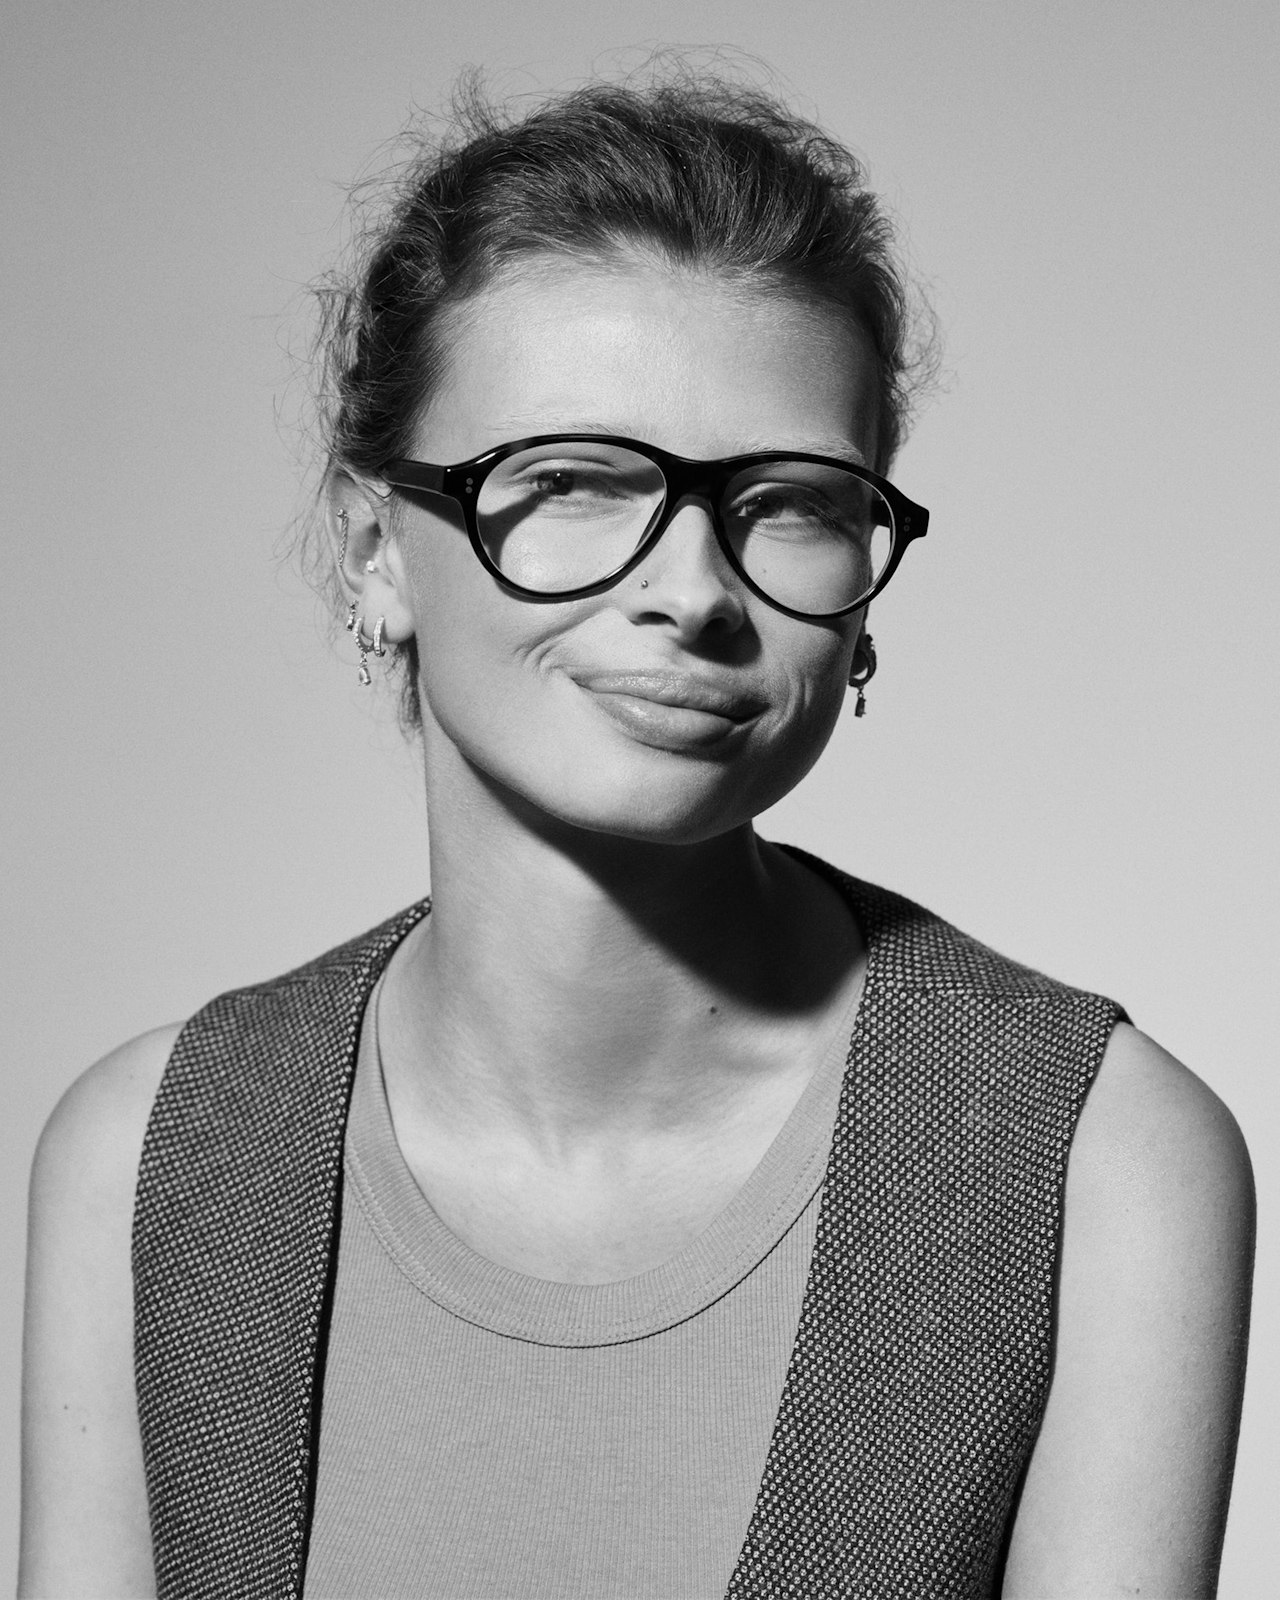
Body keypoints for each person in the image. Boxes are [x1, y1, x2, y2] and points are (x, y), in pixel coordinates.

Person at [21, 70, 1254, 1600]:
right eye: (575, 483)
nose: (694, 590)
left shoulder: (1093, 1158)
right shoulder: (154, 1156)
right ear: (374, 557)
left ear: (867, 598)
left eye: (789, 501)